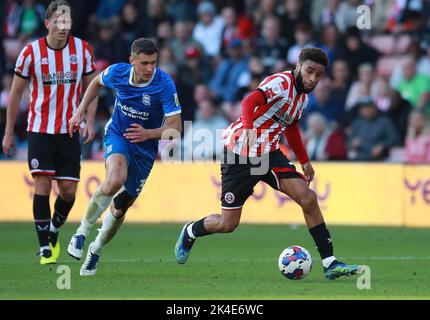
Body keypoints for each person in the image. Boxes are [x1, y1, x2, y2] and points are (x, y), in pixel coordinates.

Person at [175, 47, 361, 280]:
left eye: (319, 74)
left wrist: (305, 161)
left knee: (308, 198)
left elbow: (291, 127)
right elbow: (249, 101)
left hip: (270, 154)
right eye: (310, 71)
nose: (313, 78)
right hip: (240, 153)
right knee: (227, 223)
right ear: (298, 67)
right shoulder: (280, 84)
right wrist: (250, 128)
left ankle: (329, 262)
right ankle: (191, 230)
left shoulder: (302, 98)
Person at [67, 38, 182, 276]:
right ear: (132, 61)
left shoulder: (164, 84)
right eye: (144, 63)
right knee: (115, 178)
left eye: (153, 63)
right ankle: (81, 232)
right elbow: (96, 82)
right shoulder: (118, 72)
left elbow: (176, 128)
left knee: (120, 208)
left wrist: (149, 133)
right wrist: (80, 110)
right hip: (118, 134)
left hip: (145, 148)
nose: (150, 68)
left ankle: (95, 250)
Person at [1, 0, 97, 265]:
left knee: (68, 191)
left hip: (69, 130)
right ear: (47, 23)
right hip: (40, 129)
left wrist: (89, 121)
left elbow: (93, 88)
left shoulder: (83, 50)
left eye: (67, 21)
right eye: (58, 21)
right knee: (42, 184)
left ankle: (53, 230)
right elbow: (16, 93)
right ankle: (45, 247)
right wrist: (9, 132)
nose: (63, 26)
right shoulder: (30, 53)